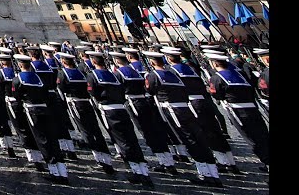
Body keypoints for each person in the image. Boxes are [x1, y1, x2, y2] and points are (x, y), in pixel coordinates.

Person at [143, 50, 222, 186]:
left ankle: (205, 174)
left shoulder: (157, 75)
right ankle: (213, 172)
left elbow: (150, 90)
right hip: (187, 107)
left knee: (189, 139)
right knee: (199, 137)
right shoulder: (176, 73)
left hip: (173, 110)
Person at [86, 50, 153, 185]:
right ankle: (143, 170)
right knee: (131, 138)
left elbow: (93, 92)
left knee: (122, 140)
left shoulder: (96, 75)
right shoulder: (115, 75)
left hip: (109, 109)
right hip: (122, 108)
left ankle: (136, 172)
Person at [10, 54, 68, 184]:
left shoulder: (18, 79)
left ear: (20, 64)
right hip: (45, 109)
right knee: (52, 138)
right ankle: (63, 171)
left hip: (32, 111)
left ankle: (53, 171)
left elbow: (17, 96)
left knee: (43, 139)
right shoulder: (39, 78)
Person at [206, 52, 269, 171]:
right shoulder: (239, 75)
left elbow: (217, 95)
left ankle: (267, 161)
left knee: (251, 138)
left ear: (214, 64)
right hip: (252, 108)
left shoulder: (217, 77)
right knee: (263, 135)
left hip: (238, 111)